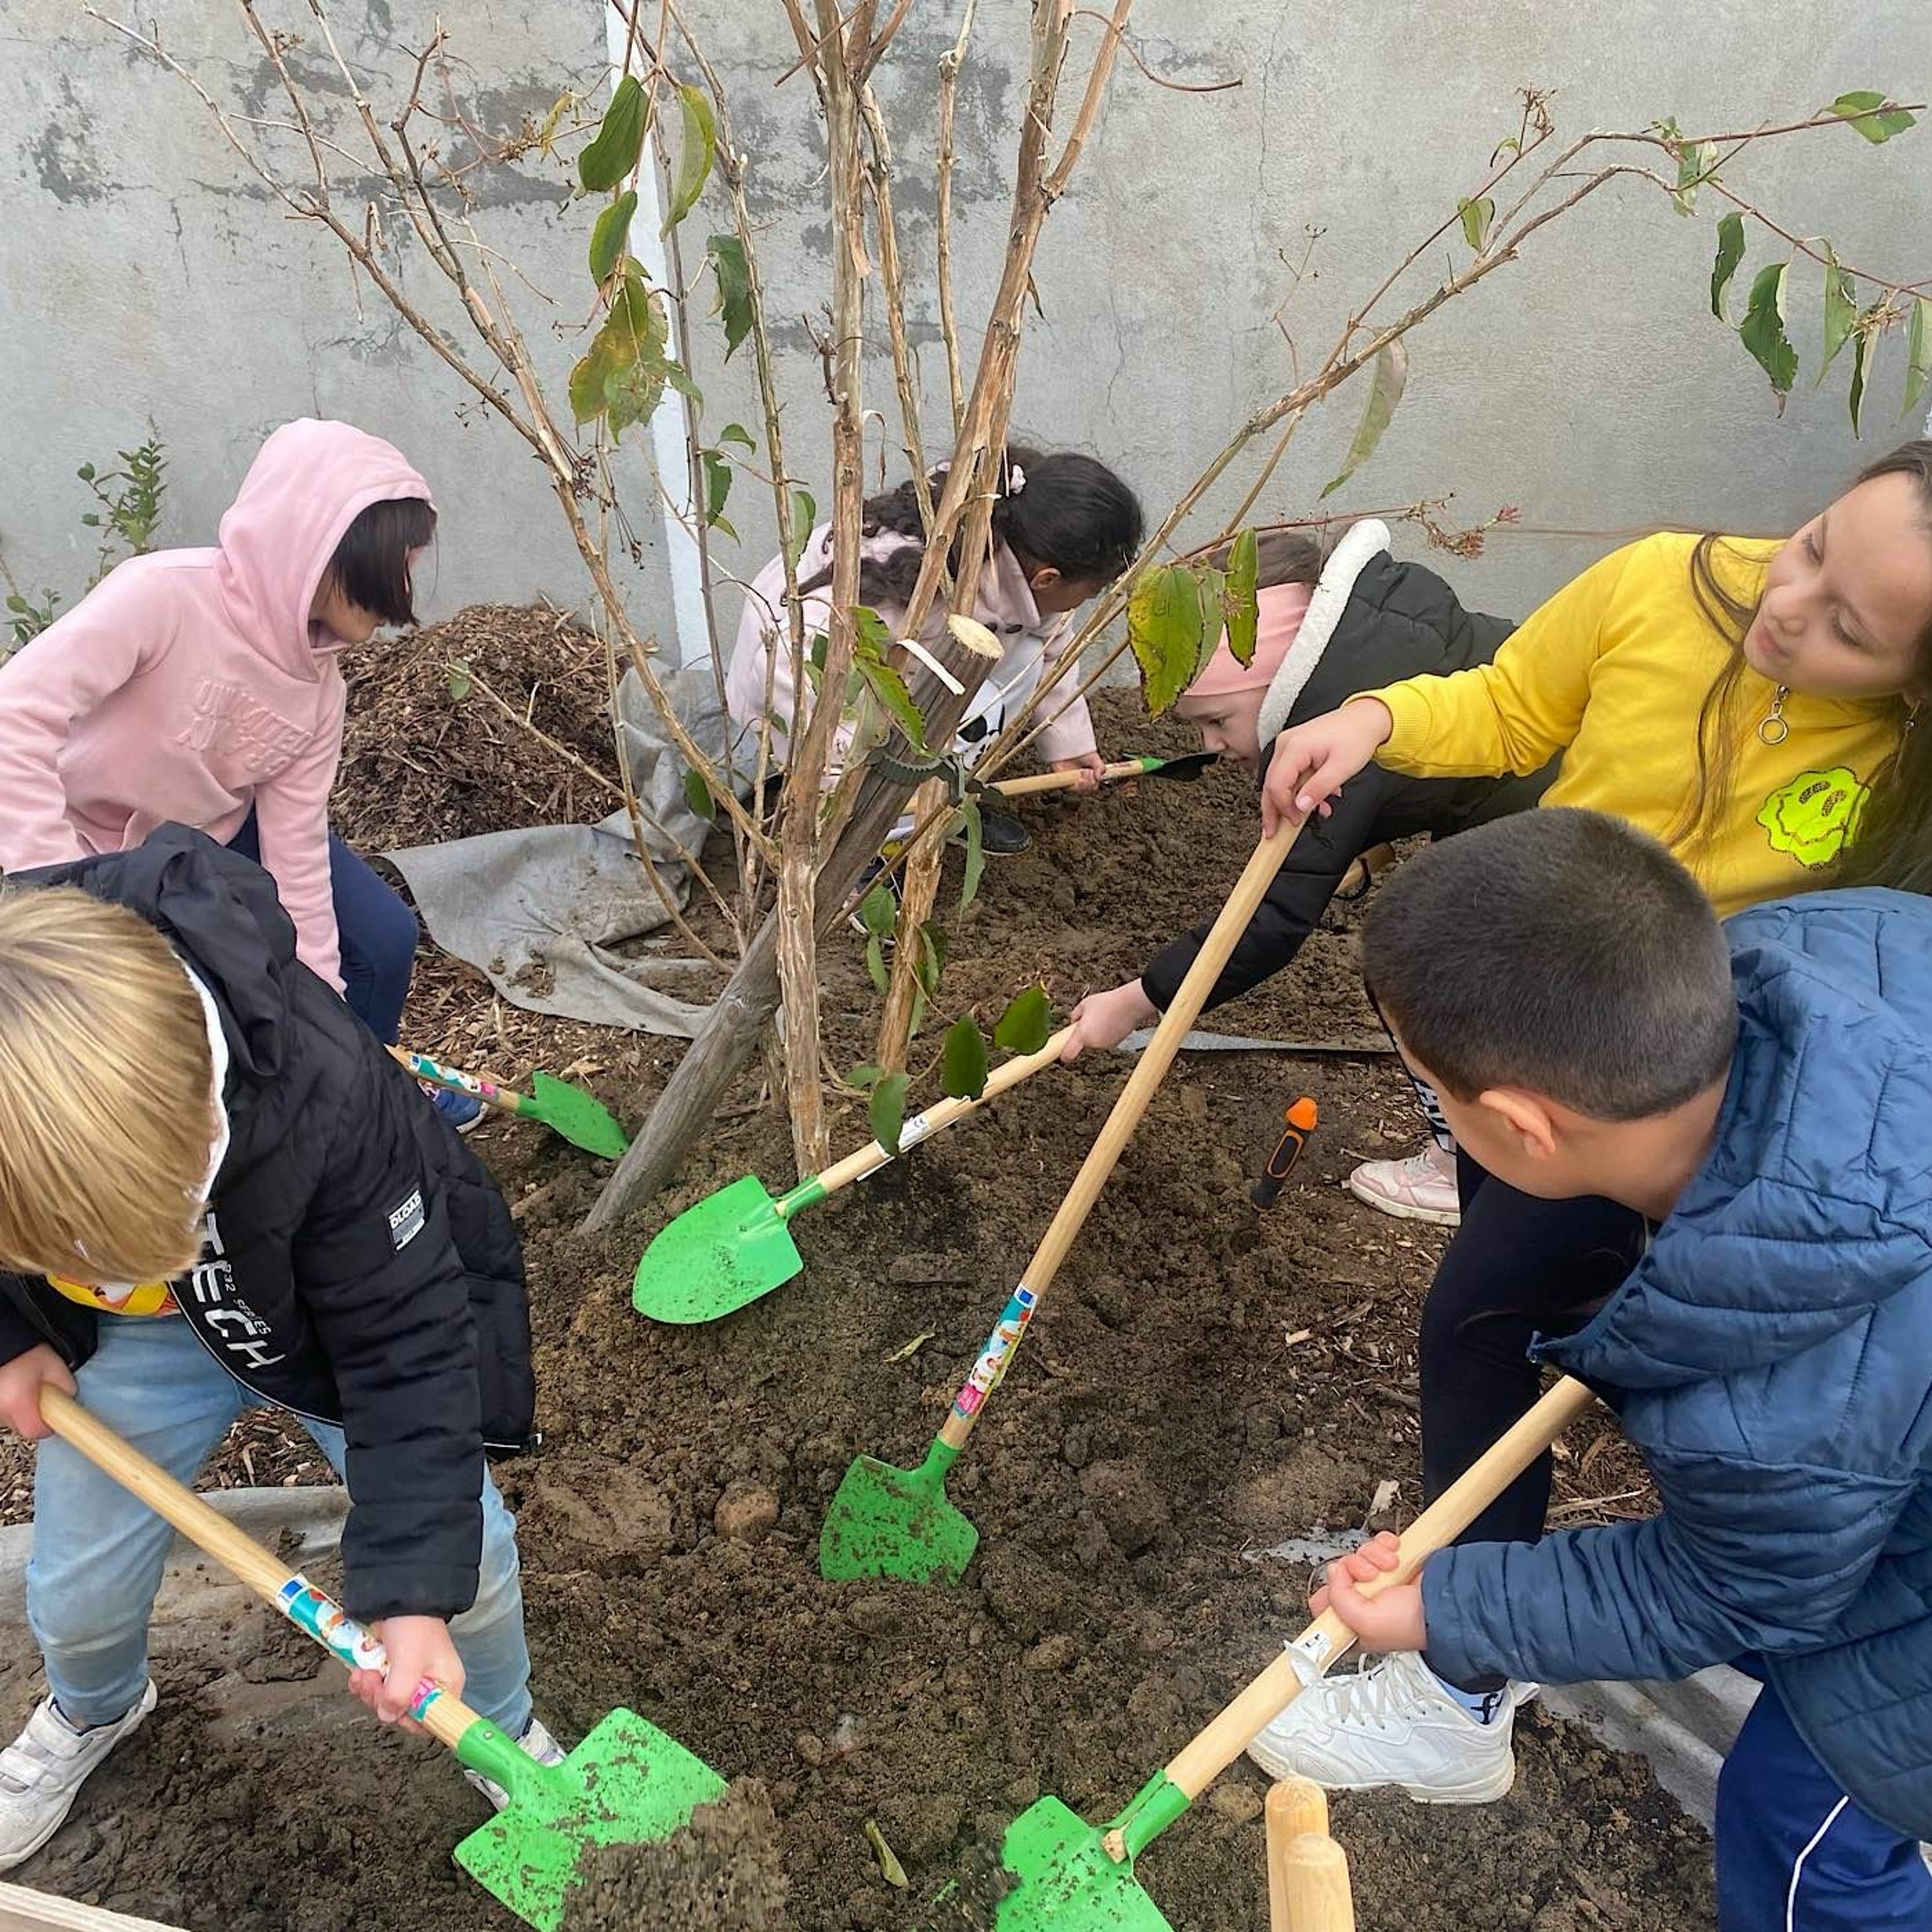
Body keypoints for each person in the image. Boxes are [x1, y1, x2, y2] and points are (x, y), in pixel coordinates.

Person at [1242, 446, 1932, 1732]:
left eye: (1850, 630)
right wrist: (1379, 718)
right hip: (1594, 1084)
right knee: (1491, 1322)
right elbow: (1509, 704)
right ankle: (1474, 1670)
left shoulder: (1906, 772)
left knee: (1692, 1390)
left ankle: (1486, 1668)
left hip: (1725, 1127)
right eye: (1817, 544)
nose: (1790, 605)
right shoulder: (1657, 585)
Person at [1253, 810, 1931, 1932]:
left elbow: (1729, 1586)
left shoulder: (1774, 1400)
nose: (1429, 1109)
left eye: (1432, 1092)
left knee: (1807, 1806)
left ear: (1523, 1128)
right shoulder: (1832, 942)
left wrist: (1448, 1604)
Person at [0, 827, 558, 1867]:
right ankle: (94, 1706)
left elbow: (408, 1347)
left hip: (334, 1319)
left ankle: (502, 1724)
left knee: (466, 1559)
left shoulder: (331, 1103)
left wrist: (410, 1597)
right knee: (75, 1589)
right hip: (144, 1341)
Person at [1057, 520, 1551, 1229]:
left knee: (1417, 968)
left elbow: (1271, 919)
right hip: (1557, 795)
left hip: (1558, 830)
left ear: (1279, 673)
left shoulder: (1336, 724)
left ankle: (1468, 1167)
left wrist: (1138, 999)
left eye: (1219, 720)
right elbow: (1441, 780)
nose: (1212, 746)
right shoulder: (1376, 627)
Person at [0, 419, 479, 1128]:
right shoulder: (162, 598)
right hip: (76, 839)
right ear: (327, 549)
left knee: (378, 943)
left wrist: (327, 1015)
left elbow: (297, 855)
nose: (404, 586)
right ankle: (250, 1138)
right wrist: (63, 886)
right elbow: (14, 720)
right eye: (397, 561)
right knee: (174, 1009)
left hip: (207, 838)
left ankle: (355, 1109)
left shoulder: (321, 691)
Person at [725, 446, 1143, 860]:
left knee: (1025, 658)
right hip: (802, 696)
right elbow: (787, 662)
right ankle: (880, 837)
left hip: (900, 682)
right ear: (1048, 579)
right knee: (976, 711)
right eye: (1088, 593)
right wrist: (843, 782)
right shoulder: (911, 587)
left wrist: (1066, 743)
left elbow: (1051, 646)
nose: (1081, 603)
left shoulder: (1019, 550)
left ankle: (945, 798)